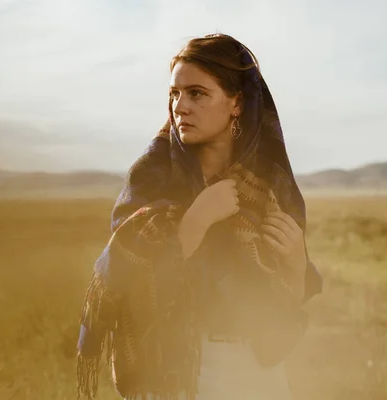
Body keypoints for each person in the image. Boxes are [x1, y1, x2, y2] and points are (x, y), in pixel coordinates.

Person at [76, 33, 323, 400]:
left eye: (197, 93)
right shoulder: (152, 179)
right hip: (176, 371)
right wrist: (195, 221)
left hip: (260, 374)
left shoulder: (269, 190)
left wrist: (296, 263)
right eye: (174, 94)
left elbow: (283, 308)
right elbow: (122, 286)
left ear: (236, 103)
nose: (180, 106)